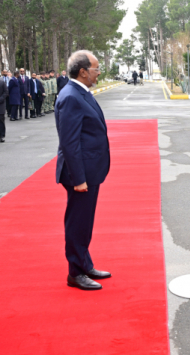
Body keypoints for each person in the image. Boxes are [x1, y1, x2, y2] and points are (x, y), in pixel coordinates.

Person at [55, 50, 111, 290]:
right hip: (81, 174)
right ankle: (75, 273)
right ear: (83, 72)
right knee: (78, 223)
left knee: (85, 222)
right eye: (96, 69)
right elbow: (69, 142)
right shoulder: (70, 96)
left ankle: (85, 263)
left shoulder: (80, 92)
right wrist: (79, 179)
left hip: (90, 170)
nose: (99, 72)